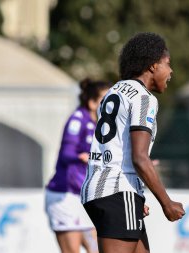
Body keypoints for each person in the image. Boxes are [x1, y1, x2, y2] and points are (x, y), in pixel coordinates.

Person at [80, 32, 185, 253]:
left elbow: (117, 148)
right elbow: (139, 157)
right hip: (117, 190)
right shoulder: (143, 98)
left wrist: (135, 196)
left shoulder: (113, 91)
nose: (171, 71)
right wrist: (167, 203)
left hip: (100, 189)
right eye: (168, 64)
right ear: (153, 66)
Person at [45, 78, 112, 253]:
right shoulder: (77, 119)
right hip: (64, 196)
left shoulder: (101, 125)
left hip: (84, 197)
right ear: (92, 103)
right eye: (106, 100)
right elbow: (66, 153)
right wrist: (83, 157)